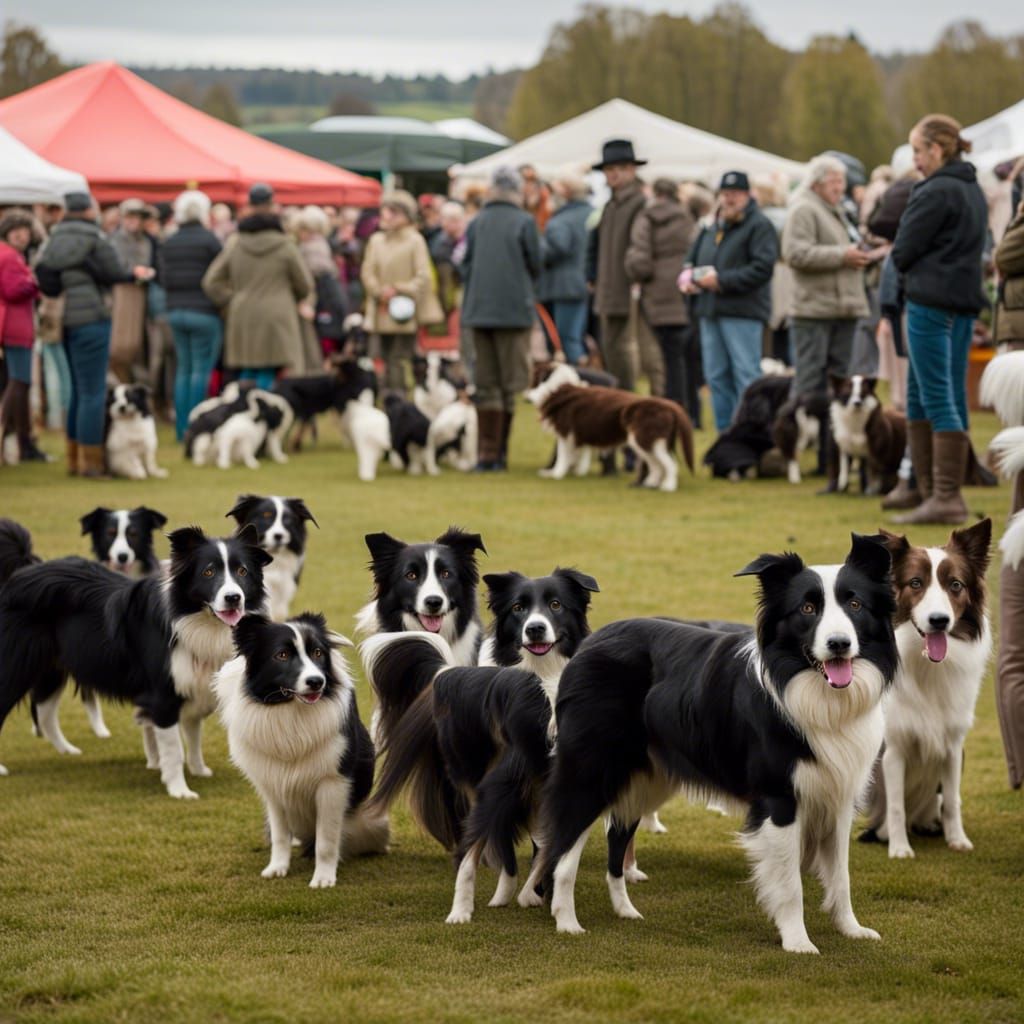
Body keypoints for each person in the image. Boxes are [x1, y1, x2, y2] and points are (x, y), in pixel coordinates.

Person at [889, 115, 989, 525]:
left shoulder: (934, 191)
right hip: (963, 302)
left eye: (917, 150)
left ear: (937, 149)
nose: (915, 159)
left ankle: (944, 495)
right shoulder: (973, 189)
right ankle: (924, 488)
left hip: (931, 301)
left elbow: (903, 250)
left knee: (934, 393)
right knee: (925, 391)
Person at [34, 191, 152, 476]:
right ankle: (92, 463)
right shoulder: (95, 238)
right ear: (88, 210)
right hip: (92, 318)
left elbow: (42, 273)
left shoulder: (53, 238)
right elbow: (114, 272)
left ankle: (74, 459)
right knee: (93, 392)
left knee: (76, 389)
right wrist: (134, 274)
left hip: (63, 319)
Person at [683, 171, 778, 431]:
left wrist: (722, 281)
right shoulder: (712, 226)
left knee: (745, 375)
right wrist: (689, 277)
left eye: (735, 194)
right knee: (715, 377)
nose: (729, 199)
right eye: (725, 194)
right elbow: (692, 260)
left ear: (748, 195)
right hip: (710, 311)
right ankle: (725, 434)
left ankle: (749, 433)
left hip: (742, 312)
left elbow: (762, 268)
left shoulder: (759, 226)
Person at [460, 166, 541, 470]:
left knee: (486, 382)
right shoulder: (525, 221)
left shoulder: (477, 222)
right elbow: (536, 263)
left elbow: (465, 266)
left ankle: (486, 455)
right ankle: (500, 454)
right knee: (510, 383)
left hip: (478, 311)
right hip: (514, 312)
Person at [202, 183, 314, 390]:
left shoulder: (236, 243)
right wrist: (292, 297)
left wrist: (232, 299)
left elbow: (211, 281)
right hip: (277, 315)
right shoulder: (285, 244)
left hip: (242, 314)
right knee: (268, 369)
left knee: (247, 369)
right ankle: (261, 413)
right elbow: (305, 285)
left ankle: (244, 411)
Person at [625, 177, 697, 410]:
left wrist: (633, 271)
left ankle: (667, 406)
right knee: (681, 356)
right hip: (683, 291)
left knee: (661, 357)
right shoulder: (686, 217)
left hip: (656, 293)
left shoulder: (646, 217)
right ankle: (689, 410)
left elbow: (640, 260)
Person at [360, 190, 442, 391]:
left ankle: (399, 398)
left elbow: (423, 276)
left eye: (393, 212)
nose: (387, 216)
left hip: (403, 311)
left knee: (398, 358)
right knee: (380, 357)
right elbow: (367, 271)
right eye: (386, 211)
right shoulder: (376, 240)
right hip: (381, 309)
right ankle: (385, 396)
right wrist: (379, 291)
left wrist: (399, 289)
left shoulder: (414, 241)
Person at [158, 189, 223, 439]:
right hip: (203, 311)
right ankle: (196, 426)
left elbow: (163, 278)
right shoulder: (210, 241)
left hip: (176, 311)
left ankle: (182, 428)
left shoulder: (170, 242)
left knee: (183, 369)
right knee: (200, 371)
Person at [588, 139, 649, 391]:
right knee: (610, 347)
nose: (613, 174)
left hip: (630, 288)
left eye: (620, 168)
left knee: (625, 348)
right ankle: (617, 396)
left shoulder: (639, 204)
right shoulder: (610, 206)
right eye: (609, 169)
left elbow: (640, 249)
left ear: (632, 170)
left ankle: (625, 397)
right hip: (607, 287)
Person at [0, 210, 45, 463]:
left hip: (11, 326)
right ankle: (15, 436)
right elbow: (13, 289)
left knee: (16, 383)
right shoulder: (10, 257)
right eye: (16, 230)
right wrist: (34, 282)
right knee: (19, 382)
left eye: (25, 231)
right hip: (15, 328)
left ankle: (22, 442)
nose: (21, 235)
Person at [538, 171, 592, 366]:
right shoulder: (590, 213)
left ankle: (578, 382)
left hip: (564, 287)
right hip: (583, 283)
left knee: (567, 340)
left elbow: (558, 248)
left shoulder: (562, 220)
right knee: (577, 337)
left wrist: (537, 246)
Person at [109, 198, 156, 383]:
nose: (132, 221)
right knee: (122, 346)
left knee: (141, 347)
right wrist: (132, 271)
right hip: (124, 292)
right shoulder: (115, 240)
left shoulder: (147, 241)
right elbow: (115, 267)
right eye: (129, 216)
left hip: (143, 292)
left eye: (136, 217)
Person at [294, 204, 347, 364]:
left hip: (321, 306)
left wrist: (307, 302)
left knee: (318, 351)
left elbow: (313, 281)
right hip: (329, 305)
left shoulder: (311, 248)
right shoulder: (322, 244)